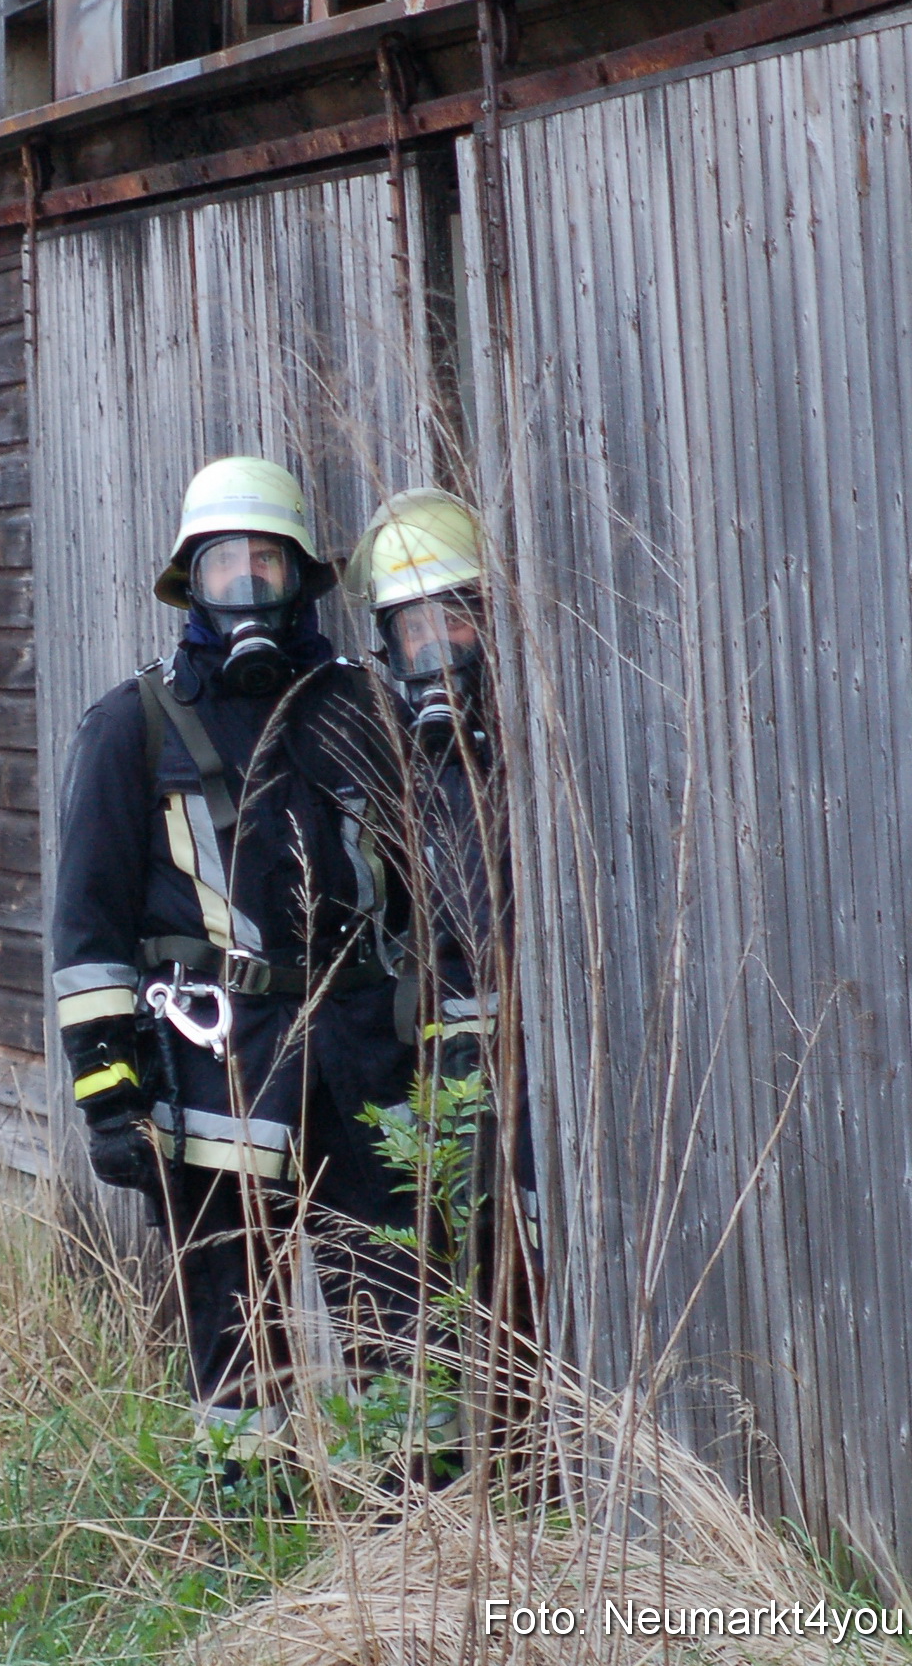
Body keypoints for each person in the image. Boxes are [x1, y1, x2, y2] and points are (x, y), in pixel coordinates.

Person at [52, 455, 419, 1458]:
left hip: (366, 1065)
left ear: (304, 581)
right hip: (214, 1071)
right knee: (234, 1329)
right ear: (190, 583)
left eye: (269, 563)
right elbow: (86, 935)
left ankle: (414, 1532)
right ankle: (248, 1535)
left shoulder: (367, 711)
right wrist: (110, 1097)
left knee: (399, 1306)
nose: (248, 585)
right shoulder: (134, 725)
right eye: (225, 565)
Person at [345, 487, 540, 1300]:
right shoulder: (381, 765)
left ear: (488, 623)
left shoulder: (540, 749)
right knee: (469, 1281)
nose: (435, 647)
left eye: (451, 621)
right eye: (412, 629)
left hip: (537, 1064)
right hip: (438, 1076)